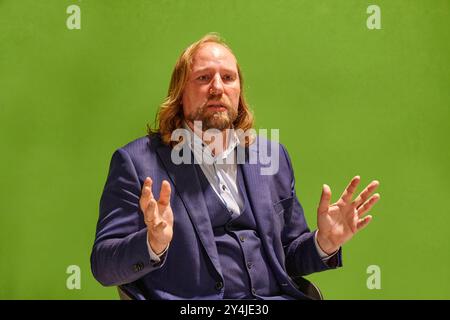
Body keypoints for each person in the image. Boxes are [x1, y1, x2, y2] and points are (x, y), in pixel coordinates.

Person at [90, 33, 380, 300]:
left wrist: (324, 242)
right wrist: (152, 244)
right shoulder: (136, 162)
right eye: (203, 78)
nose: (217, 87)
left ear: (239, 91)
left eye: (228, 77)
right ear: (180, 93)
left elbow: (288, 257)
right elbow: (103, 267)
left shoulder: (272, 157)